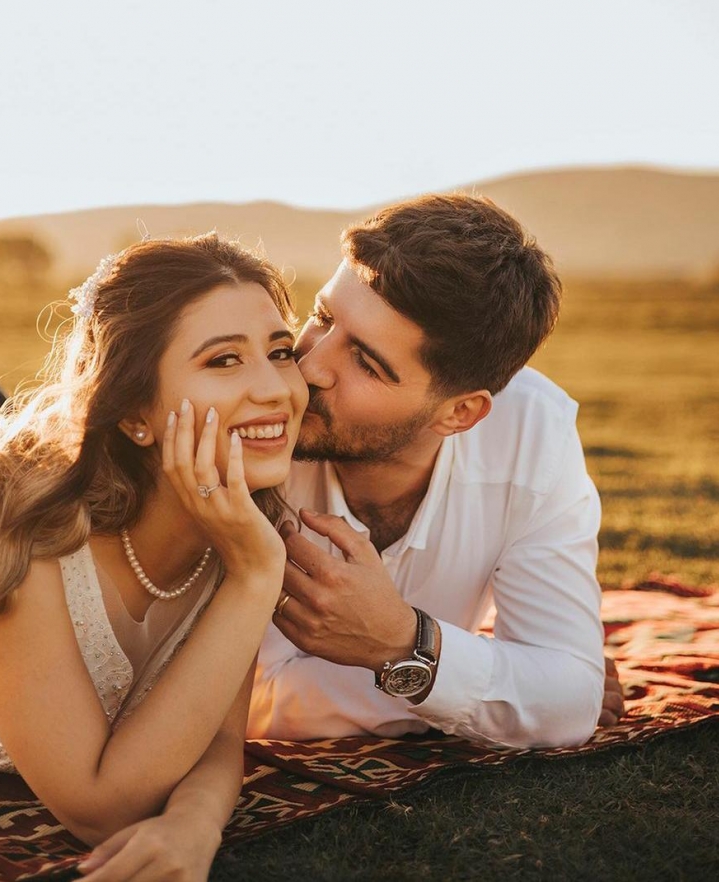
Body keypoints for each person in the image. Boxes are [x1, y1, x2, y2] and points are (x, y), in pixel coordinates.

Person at [0, 233, 308, 880]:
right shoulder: (22, 543)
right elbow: (101, 808)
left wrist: (193, 823)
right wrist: (259, 575)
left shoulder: (231, 528)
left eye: (280, 351)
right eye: (224, 361)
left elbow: (219, 738)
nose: (274, 389)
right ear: (135, 414)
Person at [247, 193, 608, 746]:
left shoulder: (532, 433)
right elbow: (252, 700)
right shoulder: (254, 424)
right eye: (323, 318)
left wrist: (398, 642)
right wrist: (470, 681)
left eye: (366, 362)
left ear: (460, 413)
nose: (310, 366)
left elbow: (569, 701)